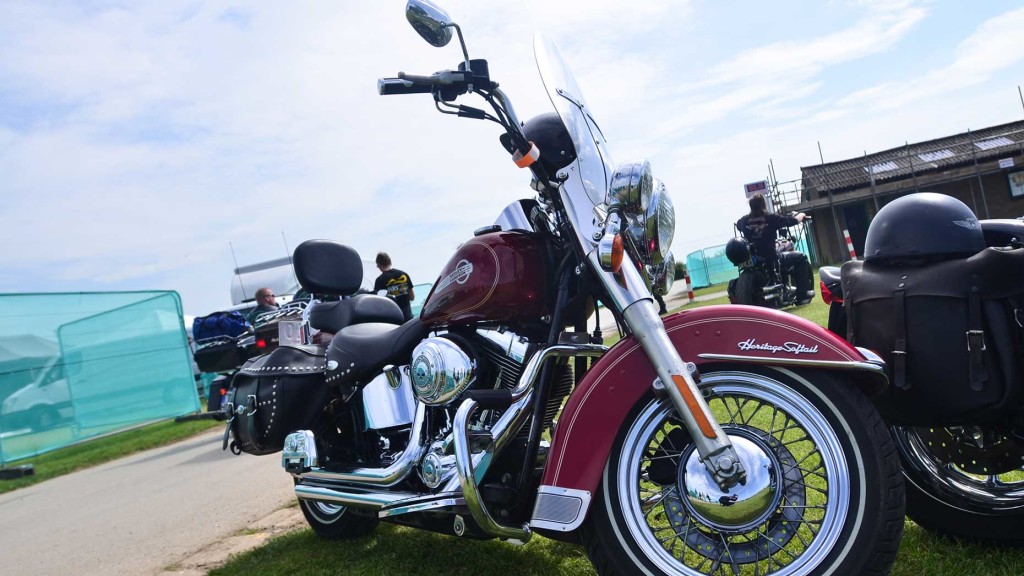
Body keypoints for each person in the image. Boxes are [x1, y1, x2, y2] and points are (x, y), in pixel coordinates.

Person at [736, 193, 814, 305]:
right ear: (763, 205)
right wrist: (800, 216)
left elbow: (738, 224)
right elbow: (791, 221)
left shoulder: (744, 221)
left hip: (754, 258)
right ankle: (802, 295)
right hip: (770, 257)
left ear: (751, 206)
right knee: (801, 257)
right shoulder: (771, 218)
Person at [373, 252, 416, 321]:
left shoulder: (380, 280)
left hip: (392, 321)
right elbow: (412, 297)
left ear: (379, 265)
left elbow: (379, 304)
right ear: (390, 261)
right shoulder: (404, 274)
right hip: (408, 319)